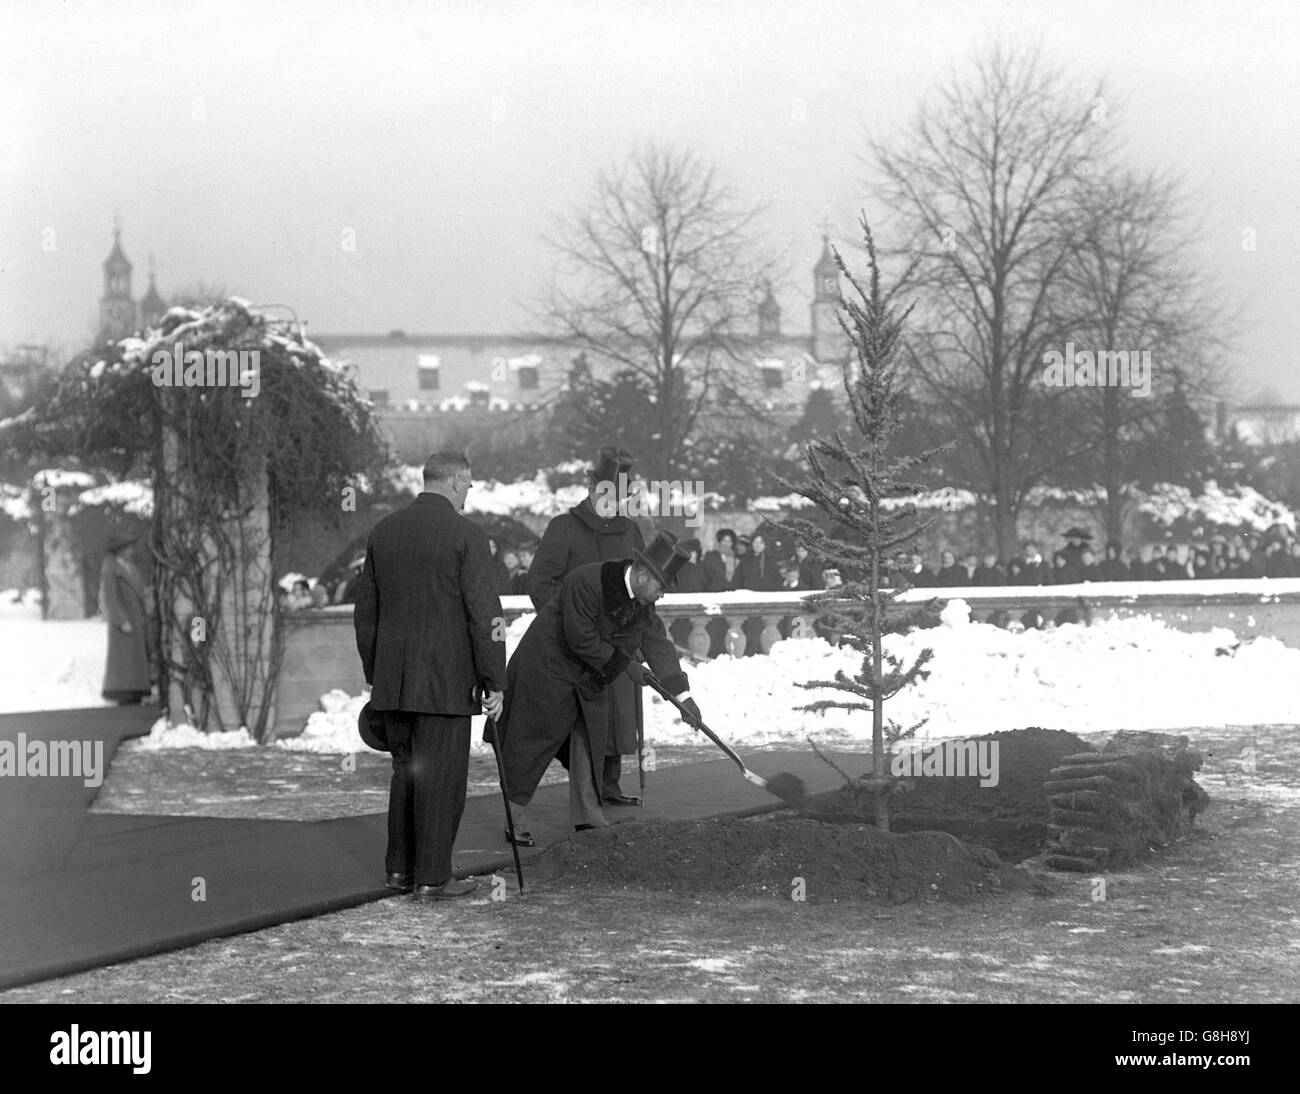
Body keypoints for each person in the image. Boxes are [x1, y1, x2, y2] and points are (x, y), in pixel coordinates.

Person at [353, 451, 505, 902]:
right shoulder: (467, 535)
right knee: (441, 782)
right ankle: (433, 879)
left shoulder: (384, 531)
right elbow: (485, 615)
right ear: (457, 482)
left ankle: (399, 871)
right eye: (470, 485)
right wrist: (494, 678)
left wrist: (376, 672)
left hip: (395, 683)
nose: (469, 494)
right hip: (445, 684)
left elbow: (366, 615)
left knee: (407, 775)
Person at [498, 531, 698, 836]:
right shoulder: (587, 580)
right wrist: (627, 665)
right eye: (661, 587)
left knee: (589, 745)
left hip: (590, 676)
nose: (661, 595)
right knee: (529, 749)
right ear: (643, 574)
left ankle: (589, 818)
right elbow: (580, 637)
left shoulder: (643, 603)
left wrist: (683, 698)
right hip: (546, 672)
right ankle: (514, 821)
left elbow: (659, 646)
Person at [526, 445, 646, 806]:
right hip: (578, 644)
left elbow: (643, 580)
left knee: (619, 717)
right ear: (591, 489)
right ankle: (582, 795)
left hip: (620, 643)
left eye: (621, 494)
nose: (614, 500)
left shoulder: (630, 532)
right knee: (582, 722)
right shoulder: (564, 528)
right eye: (606, 492)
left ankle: (609, 785)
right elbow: (540, 583)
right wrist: (573, 619)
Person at [101, 531, 152, 705]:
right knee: (124, 659)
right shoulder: (110, 570)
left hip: (137, 621)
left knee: (135, 658)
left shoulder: (131, 568)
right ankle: (122, 691)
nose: (131, 550)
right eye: (127, 547)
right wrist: (120, 620)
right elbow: (110, 598)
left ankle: (135, 690)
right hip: (124, 624)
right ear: (119, 550)